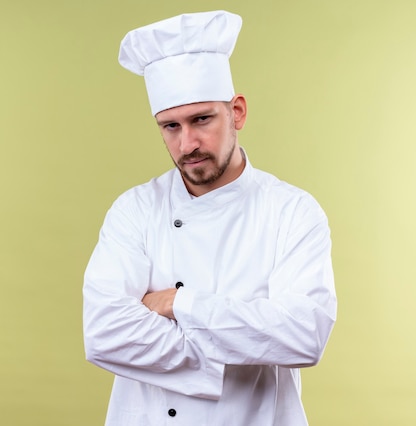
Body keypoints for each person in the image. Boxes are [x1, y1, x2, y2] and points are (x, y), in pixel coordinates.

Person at [83, 10, 337, 425]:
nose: (188, 143)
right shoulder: (135, 209)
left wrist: (178, 302)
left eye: (202, 119)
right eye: (170, 126)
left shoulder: (292, 211)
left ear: (236, 112)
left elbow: (305, 336)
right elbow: (104, 335)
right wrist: (241, 342)